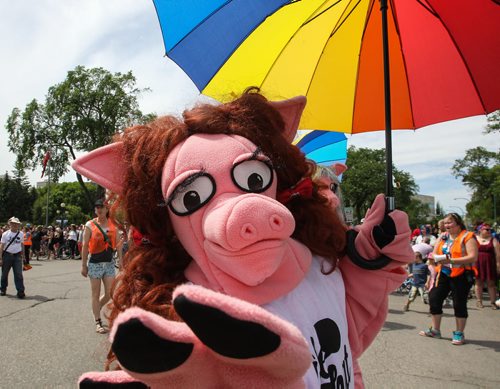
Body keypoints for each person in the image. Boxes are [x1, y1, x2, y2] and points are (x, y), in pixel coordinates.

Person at [419, 213, 478, 345]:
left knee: (459, 303)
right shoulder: (443, 236)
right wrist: (433, 258)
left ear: (458, 223)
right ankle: (435, 330)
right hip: (444, 273)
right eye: (445, 223)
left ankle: (459, 333)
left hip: (462, 274)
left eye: (450, 223)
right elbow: (434, 253)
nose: (447, 226)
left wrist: (451, 260)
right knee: (434, 298)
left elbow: (473, 256)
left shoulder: (467, 236)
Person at [81, 199, 122, 334]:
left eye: (102, 207)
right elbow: (85, 245)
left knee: (110, 293)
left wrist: (121, 261)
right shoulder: (90, 225)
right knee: (95, 293)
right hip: (95, 264)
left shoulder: (113, 225)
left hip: (109, 263)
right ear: (95, 210)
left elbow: (119, 244)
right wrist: (83, 265)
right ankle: (98, 322)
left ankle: (95, 308)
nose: (99, 209)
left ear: (107, 209)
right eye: (97, 207)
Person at [474, 223, 500, 309]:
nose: (489, 231)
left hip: (490, 263)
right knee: (478, 282)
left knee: (491, 283)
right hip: (478, 263)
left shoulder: (494, 240)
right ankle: (479, 301)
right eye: (487, 230)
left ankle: (493, 302)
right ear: (480, 230)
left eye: (490, 230)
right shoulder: (475, 239)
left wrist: (498, 264)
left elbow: (498, 254)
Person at [0, 217, 26, 298]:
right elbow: (2, 246)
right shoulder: (5, 234)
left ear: (18, 225)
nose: (15, 225)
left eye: (16, 224)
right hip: (7, 255)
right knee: (4, 274)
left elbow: (22, 244)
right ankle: (3, 289)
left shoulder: (21, 234)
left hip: (17, 255)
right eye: (13, 223)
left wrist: (23, 255)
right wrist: (0, 258)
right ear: (10, 224)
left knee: (18, 274)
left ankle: (20, 291)